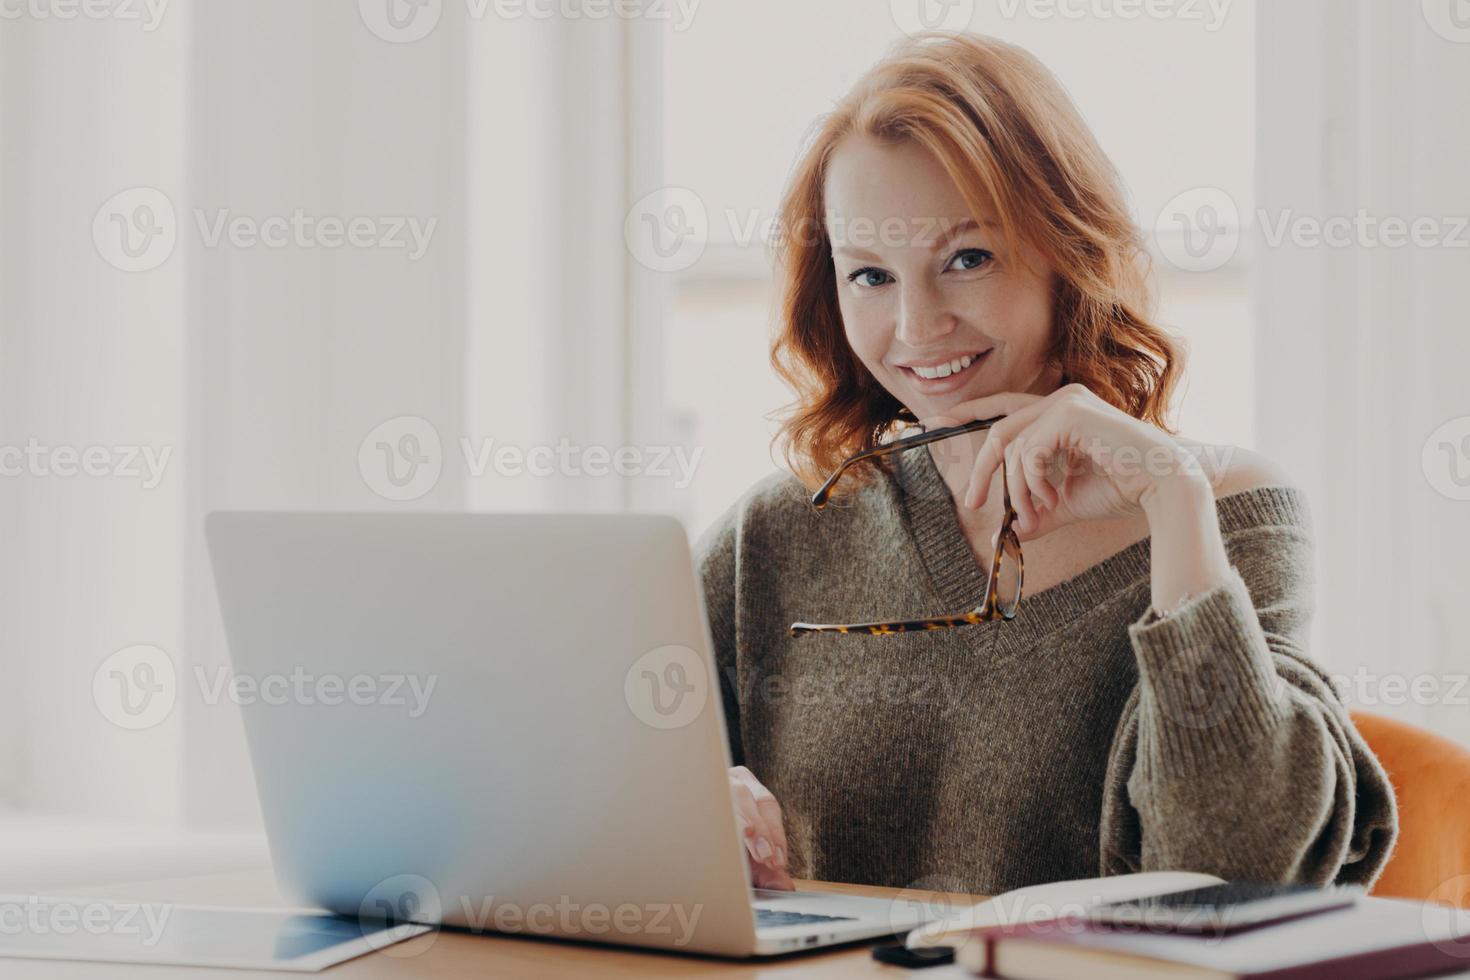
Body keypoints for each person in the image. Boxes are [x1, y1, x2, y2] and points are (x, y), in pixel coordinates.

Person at [696, 32, 1397, 896]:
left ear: (1064, 250)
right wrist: (683, 811)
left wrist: (1174, 499)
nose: (917, 327)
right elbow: (581, 772)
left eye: (967, 259)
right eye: (870, 275)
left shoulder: (1226, 511)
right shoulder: (776, 533)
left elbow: (1236, 866)